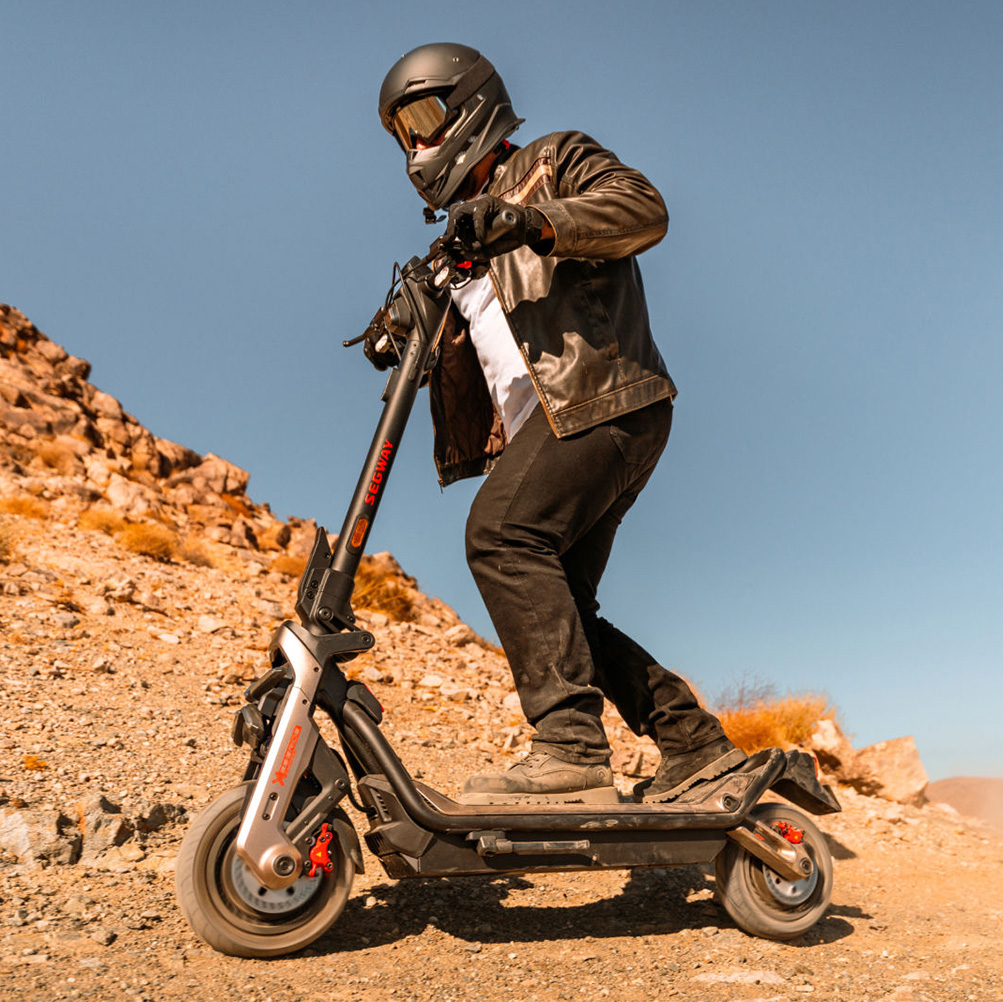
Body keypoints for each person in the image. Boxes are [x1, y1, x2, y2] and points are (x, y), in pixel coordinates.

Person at [371, 42, 744, 805]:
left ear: (470, 101)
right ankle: (692, 743)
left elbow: (642, 209)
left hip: (598, 401)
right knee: (563, 607)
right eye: (401, 133)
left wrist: (533, 219)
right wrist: (398, 324)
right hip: (564, 424)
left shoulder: (551, 161)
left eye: (424, 118)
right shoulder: (458, 243)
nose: (416, 144)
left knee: (501, 537)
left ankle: (569, 748)